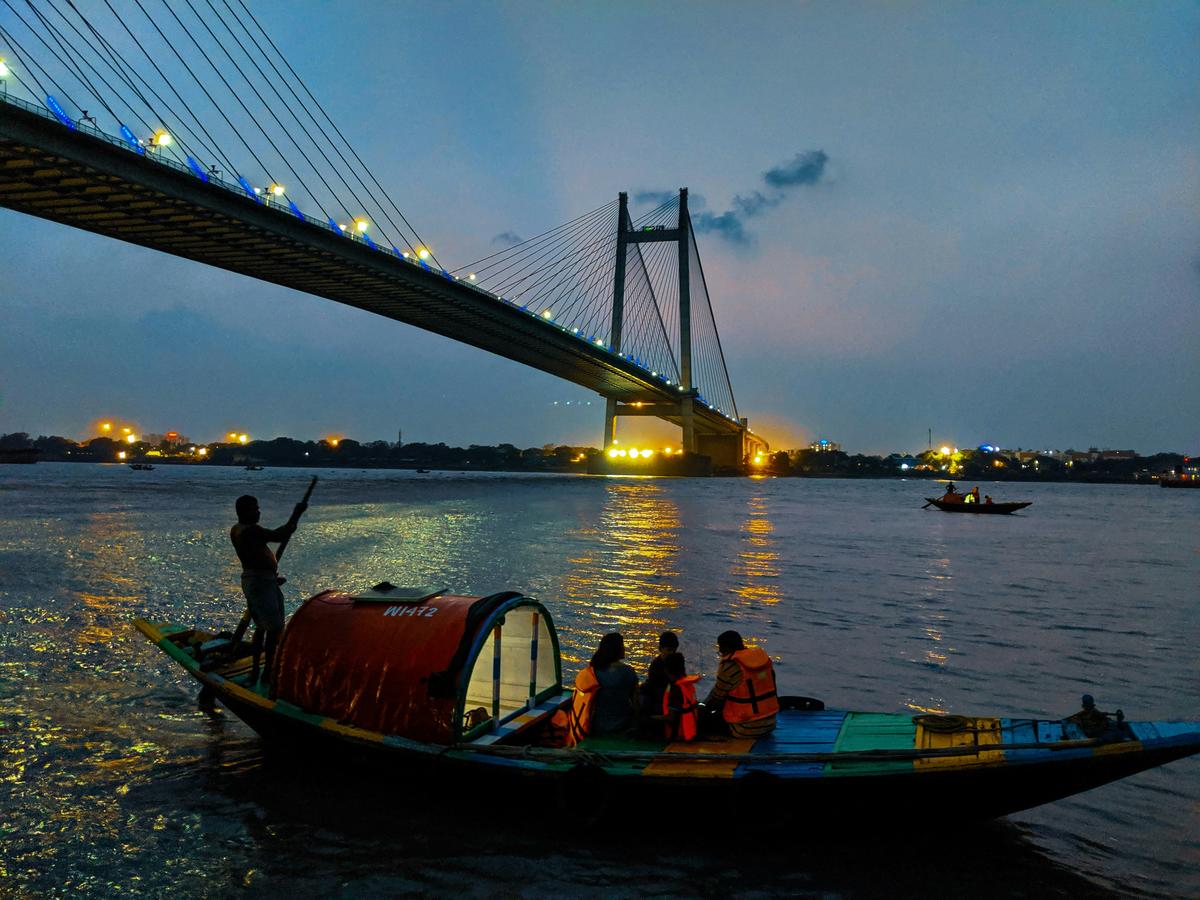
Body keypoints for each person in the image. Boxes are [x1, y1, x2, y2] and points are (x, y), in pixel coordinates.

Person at [230, 494, 306, 685]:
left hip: (264, 581)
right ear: (244, 511)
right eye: (255, 508)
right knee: (273, 628)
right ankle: (263, 672)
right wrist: (296, 514)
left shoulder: (239, 530)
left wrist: (271, 577)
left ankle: (263, 671)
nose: (258, 511)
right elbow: (281, 535)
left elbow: (259, 553)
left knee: (267, 627)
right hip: (259, 583)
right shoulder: (249, 531)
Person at [701, 631, 778, 738]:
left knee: (700, 720)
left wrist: (700, 709)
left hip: (744, 728)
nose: (720, 652)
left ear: (727, 648)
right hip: (771, 724)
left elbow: (716, 700)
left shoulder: (730, 667)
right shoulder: (765, 660)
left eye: (721, 650)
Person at [587, 632, 640, 736]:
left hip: (598, 726)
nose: (624, 648)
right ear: (617, 649)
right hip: (622, 726)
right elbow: (636, 702)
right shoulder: (628, 672)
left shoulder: (594, 670)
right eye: (622, 645)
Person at [659, 652, 700, 742]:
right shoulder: (687, 685)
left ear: (666, 670)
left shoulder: (675, 689)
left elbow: (672, 718)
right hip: (690, 732)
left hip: (678, 736)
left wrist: (651, 718)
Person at [639, 631, 679, 721]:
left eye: (674, 650)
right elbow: (655, 689)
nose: (672, 653)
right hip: (659, 698)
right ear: (660, 649)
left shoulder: (676, 662)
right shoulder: (656, 666)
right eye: (669, 650)